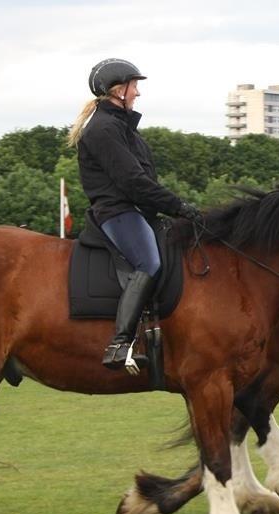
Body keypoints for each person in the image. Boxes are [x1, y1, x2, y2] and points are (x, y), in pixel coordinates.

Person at [68, 58, 201, 370]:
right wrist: (178, 206)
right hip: (117, 211)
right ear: (118, 90)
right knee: (149, 262)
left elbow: (145, 180)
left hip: (137, 209)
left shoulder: (121, 127)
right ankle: (120, 343)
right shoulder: (103, 129)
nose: (137, 93)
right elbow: (133, 182)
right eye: (134, 86)